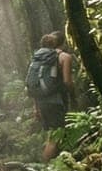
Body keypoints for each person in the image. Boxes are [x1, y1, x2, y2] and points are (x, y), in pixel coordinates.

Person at [26, 31, 75, 160]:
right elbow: (67, 82)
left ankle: (55, 165)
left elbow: (35, 84)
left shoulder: (40, 58)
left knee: (53, 135)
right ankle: (46, 167)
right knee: (55, 137)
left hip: (41, 102)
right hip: (56, 102)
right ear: (63, 43)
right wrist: (73, 96)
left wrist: (36, 108)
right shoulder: (64, 57)